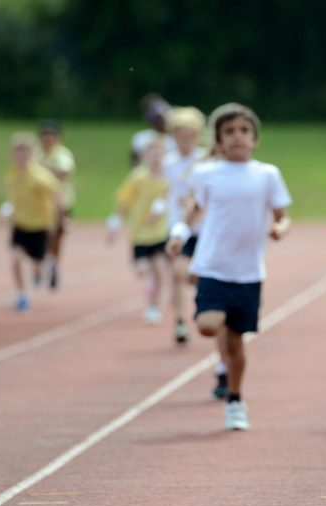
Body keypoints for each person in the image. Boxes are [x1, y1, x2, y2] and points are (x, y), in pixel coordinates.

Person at [166, 103, 292, 431]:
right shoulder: (207, 174)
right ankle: (218, 333)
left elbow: (283, 215)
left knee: (235, 344)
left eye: (244, 131)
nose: (238, 137)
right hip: (211, 267)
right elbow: (193, 213)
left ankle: (235, 398)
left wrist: (280, 229)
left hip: (248, 273)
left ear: (255, 138)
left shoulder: (267, 175)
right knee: (208, 324)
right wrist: (179, 235)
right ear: (219, 140)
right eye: (230, 132)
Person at [109, 139, 172, 325]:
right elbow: (123, 200)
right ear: (145, 156)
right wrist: (114, 224)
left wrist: (160, 208)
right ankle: (151, 285)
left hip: (160, 232)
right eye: (151, 153)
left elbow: (172, 196)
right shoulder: (138, 177)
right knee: (142, 270)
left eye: (159, 152)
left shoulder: (169, 177)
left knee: (160, 269)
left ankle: (154, 305)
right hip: (139, 233)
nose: (155, 157)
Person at [163, 106, 209, 345]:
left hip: (204, 228)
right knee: (178, 273)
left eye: (190, 133)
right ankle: (180, 321)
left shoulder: (205, 160)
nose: (185, 138)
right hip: (178, 227)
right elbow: (159, 191)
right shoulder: (167, 163)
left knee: (199, 276)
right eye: (180, 133)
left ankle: (205, 307)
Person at [3, 132, 62, 312]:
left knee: (37, 263)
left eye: (25, 152)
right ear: (14, 155)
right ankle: (21, 294)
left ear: (32, 154)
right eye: (18, 152)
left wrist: (57, 221)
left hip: (39, 226)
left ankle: (46, 266)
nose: (22, 156)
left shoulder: (41, 177)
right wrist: (7, 211)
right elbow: (14, 199)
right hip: (20, 225)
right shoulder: (12, 175)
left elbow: (56, 198)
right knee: (15, 259)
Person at [37, 120, 75, 289]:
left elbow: (63, 173)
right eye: (45, 137)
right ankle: (41, 264)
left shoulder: (62, 154)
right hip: (39, 203)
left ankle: (53, 264)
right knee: (40, 235)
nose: (48, 140)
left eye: (51, 137)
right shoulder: (36, 154)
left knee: (56, 237)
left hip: (61, 202)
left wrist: (42, 176)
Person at [131, 94, 177, 165]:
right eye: (159, 119)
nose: (164, 121)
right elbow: (134, 161)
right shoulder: (142, 138)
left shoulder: (175, 138)